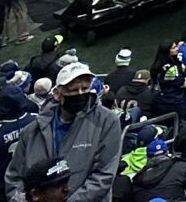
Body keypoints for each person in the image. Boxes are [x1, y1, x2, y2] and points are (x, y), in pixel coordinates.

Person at [11, 62, 124, 202]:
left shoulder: (107, 121)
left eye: (85, 88)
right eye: (73, 90)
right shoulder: (32, 130)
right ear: (58, 94)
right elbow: (15, 176)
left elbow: (104, 175)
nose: (81, 94)